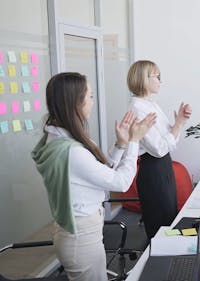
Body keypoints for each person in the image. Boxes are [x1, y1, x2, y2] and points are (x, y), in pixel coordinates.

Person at [31, 72, 156, 281]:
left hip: (77, 232)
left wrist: (121, 144)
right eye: (89, 96)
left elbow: (98, 169)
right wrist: (135, 141)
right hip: (81, 237)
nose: (92, 101)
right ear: (75, 102)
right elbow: (121, 182)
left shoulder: (57, 139)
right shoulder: (72, 151)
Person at [127, 60, 192, 239]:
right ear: (143, 79)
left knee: (169, 218)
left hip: (163, 167)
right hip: (153, 169)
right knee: (159, 224)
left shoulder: (151, 104)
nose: (160, 81)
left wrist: (180, 122)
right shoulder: (138, 108)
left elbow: (170, 139)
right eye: (157, 77)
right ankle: (154, 264)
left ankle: (168, 261)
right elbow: (159, 149)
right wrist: (178, 124)